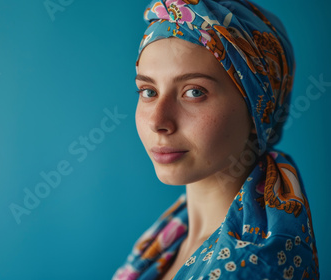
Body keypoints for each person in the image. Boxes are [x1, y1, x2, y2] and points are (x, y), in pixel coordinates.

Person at [112, 0, 319, 279]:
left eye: (194, 92)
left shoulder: (254, 268)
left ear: (258, 109)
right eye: (148, 91)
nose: (158, 122)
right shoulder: (167, 240)